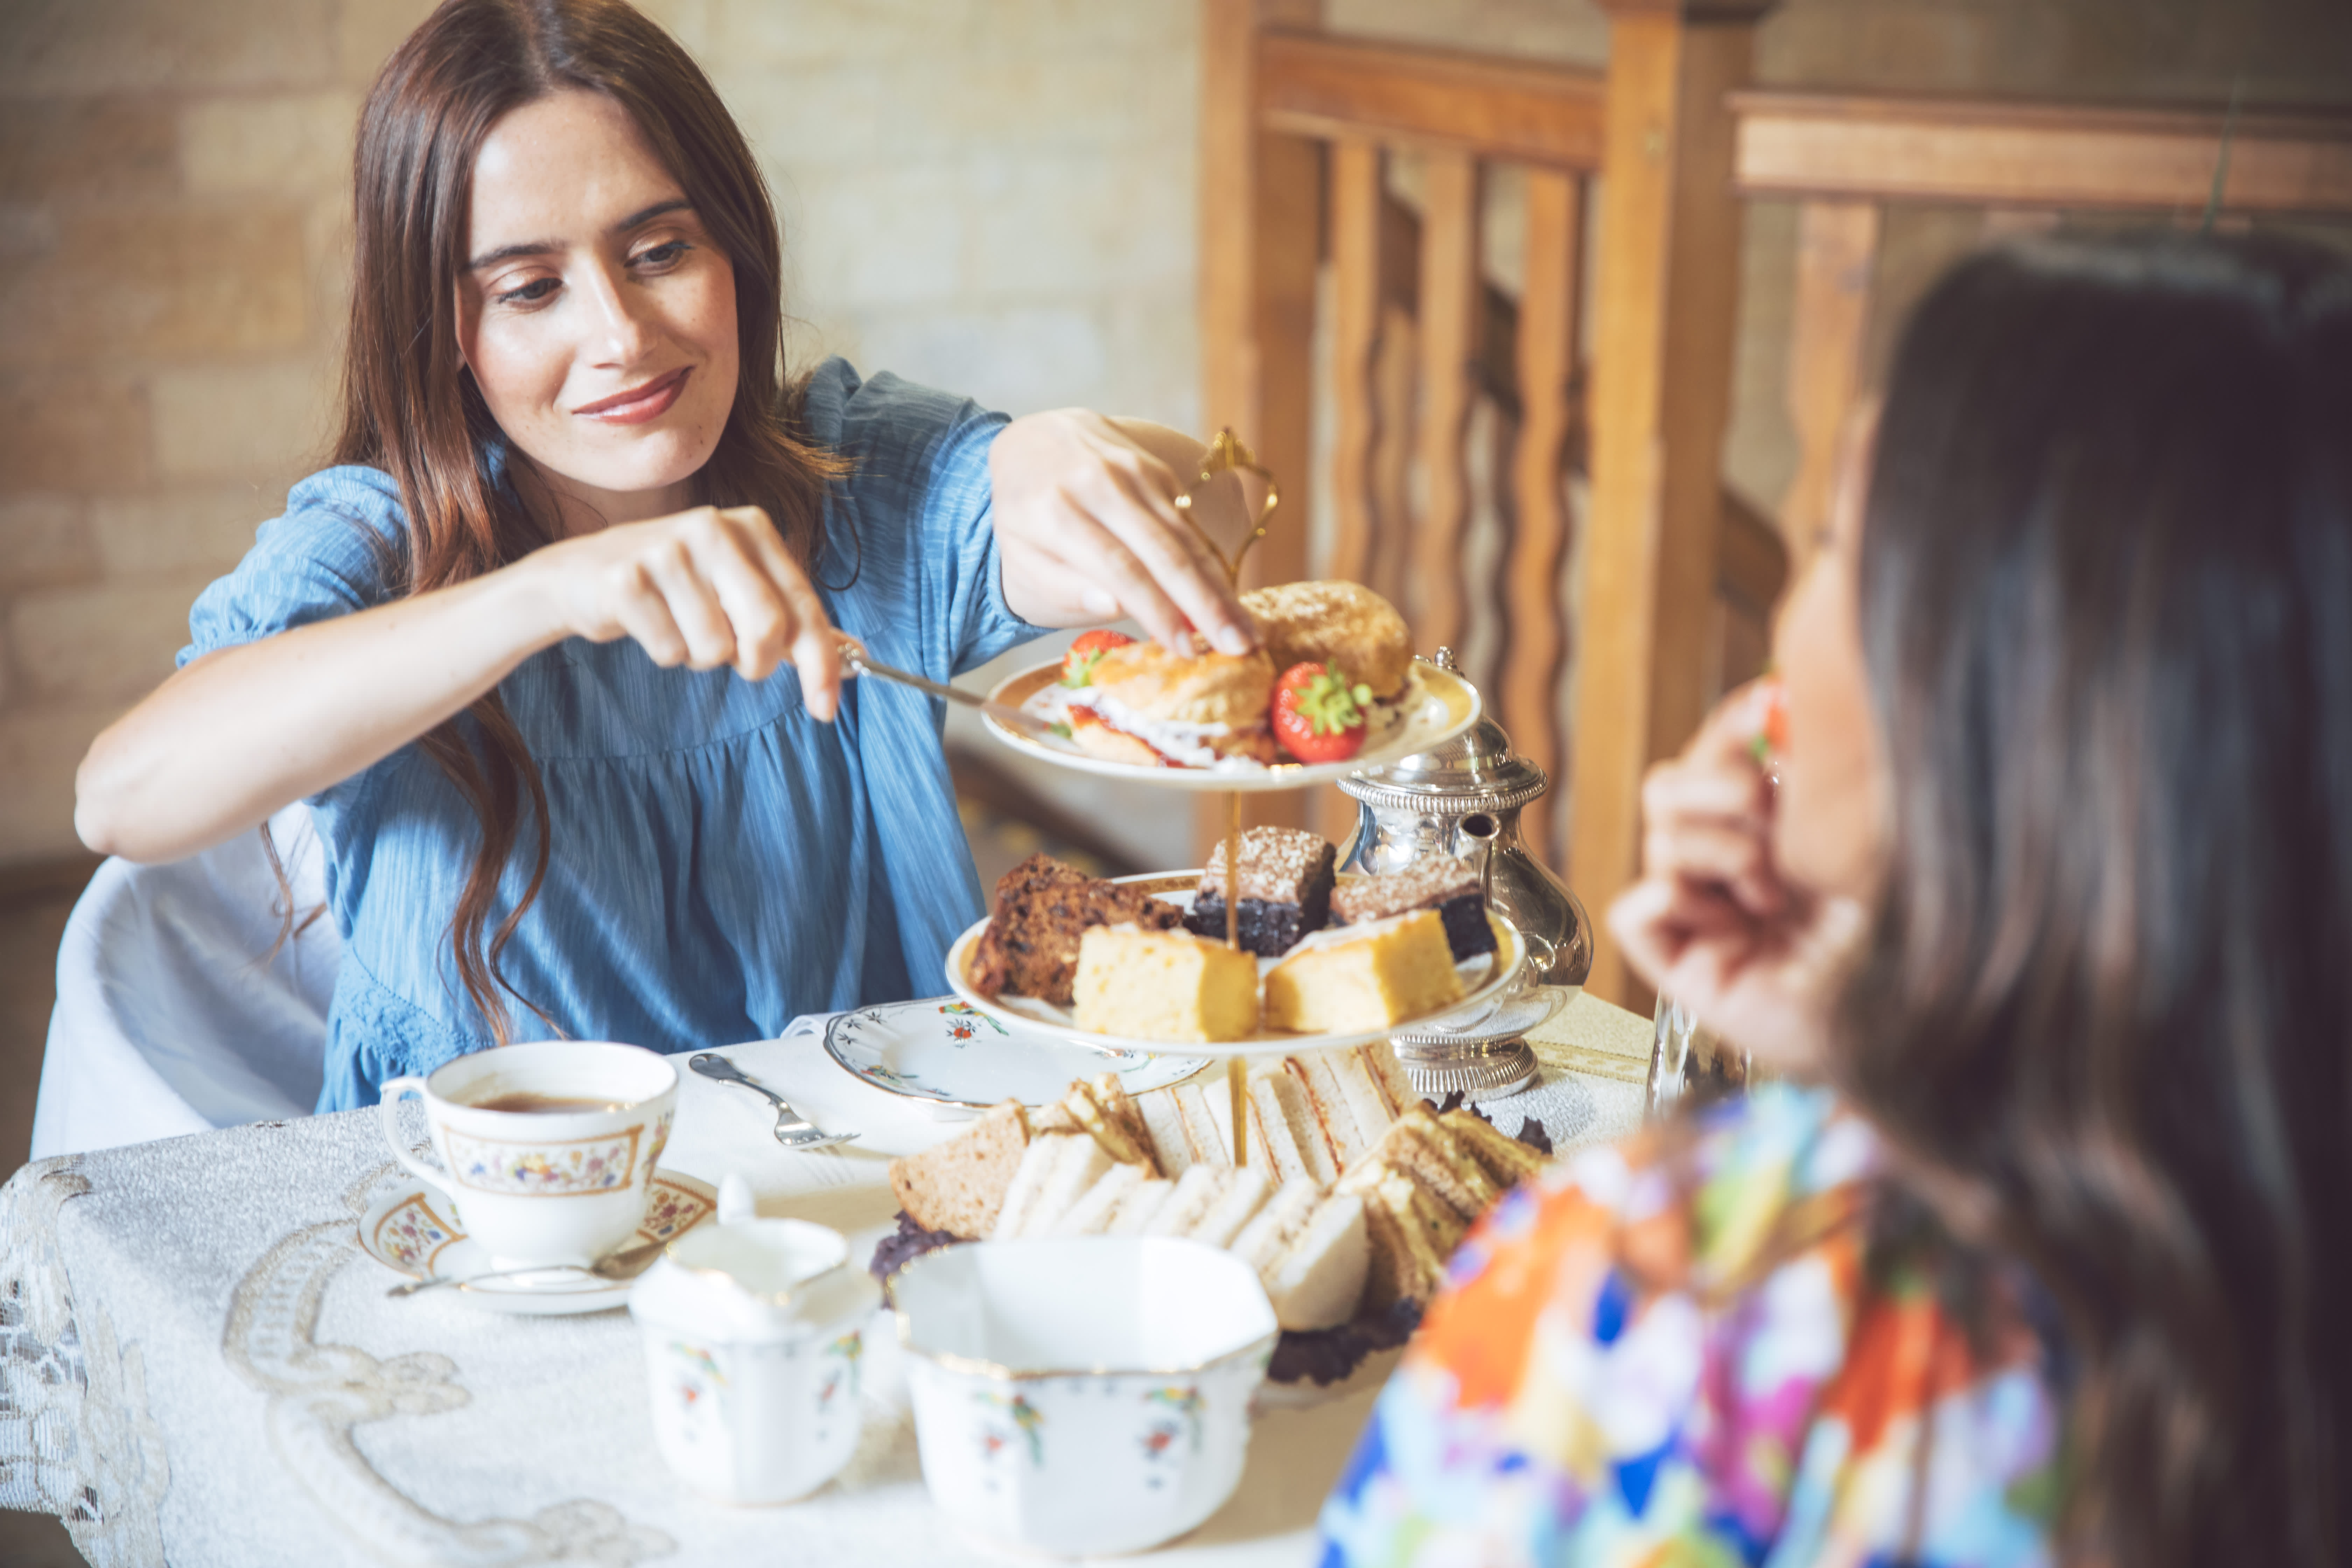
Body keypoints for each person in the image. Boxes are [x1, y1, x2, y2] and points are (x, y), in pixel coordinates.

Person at [1316, 233, 2351, 1567]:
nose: (1787, 624)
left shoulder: (1678, 1296)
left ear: (1989, 706)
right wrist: (1881, 1049)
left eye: (1832, 545)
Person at [70, 0, 1260, 1114]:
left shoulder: (859, 482)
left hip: (859, 1176)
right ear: (448, 336)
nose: (623, 337)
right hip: (499, 1219)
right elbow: (123, 798)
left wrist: (1067, 452)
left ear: (733, 247)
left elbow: (1222, 511)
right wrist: (538, 596)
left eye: (658, 252)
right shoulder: (386, 541)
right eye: (532, 288)